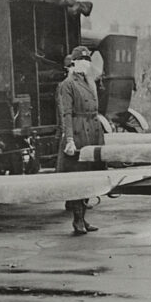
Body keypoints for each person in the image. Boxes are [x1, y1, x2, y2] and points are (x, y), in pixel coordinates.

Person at [56, 46, 106, 235]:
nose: (85, 63)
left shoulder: (89, 81)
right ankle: (77, 220)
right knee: (79, 177)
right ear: (74, 63)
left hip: (92, 131)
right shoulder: (67, 84)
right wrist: (69, 139)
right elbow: (66, 114)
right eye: (81, 60)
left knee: (90, 176)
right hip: (78, 133)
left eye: (87, 60)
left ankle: (83, 218)